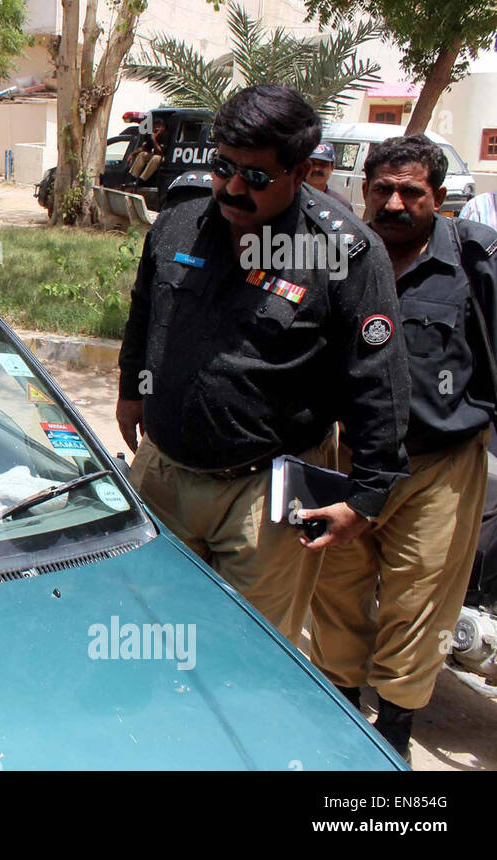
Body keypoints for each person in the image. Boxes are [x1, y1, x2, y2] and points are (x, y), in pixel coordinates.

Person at [116, 84, 410, 645]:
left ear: (300, 174)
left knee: (245, 652)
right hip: (166, 475)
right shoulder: (179, 225)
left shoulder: (344, 252)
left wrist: (367, 496)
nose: (231, 187)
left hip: (266, 496)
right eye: (223, 167)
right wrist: (133, 389)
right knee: (149, 629)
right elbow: (146, 313)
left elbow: (379, 378)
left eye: (255, 176)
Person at [308, 135, 497, 762]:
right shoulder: (333, 258)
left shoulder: (473, 262)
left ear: (438, 198)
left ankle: (392, 738)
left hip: (437, 466)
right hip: (345, 459)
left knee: (420, 601)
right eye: (381, 189)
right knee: (335, 589)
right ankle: (338, 719)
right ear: (363, 191)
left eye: (410, 191)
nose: (394, 202)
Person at [307, 142, 353, 211]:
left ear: (332, 167)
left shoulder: (342, 205)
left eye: (323, 164)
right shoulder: (290, 199)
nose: (317, 169)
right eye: (312, 163)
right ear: (304, 166)